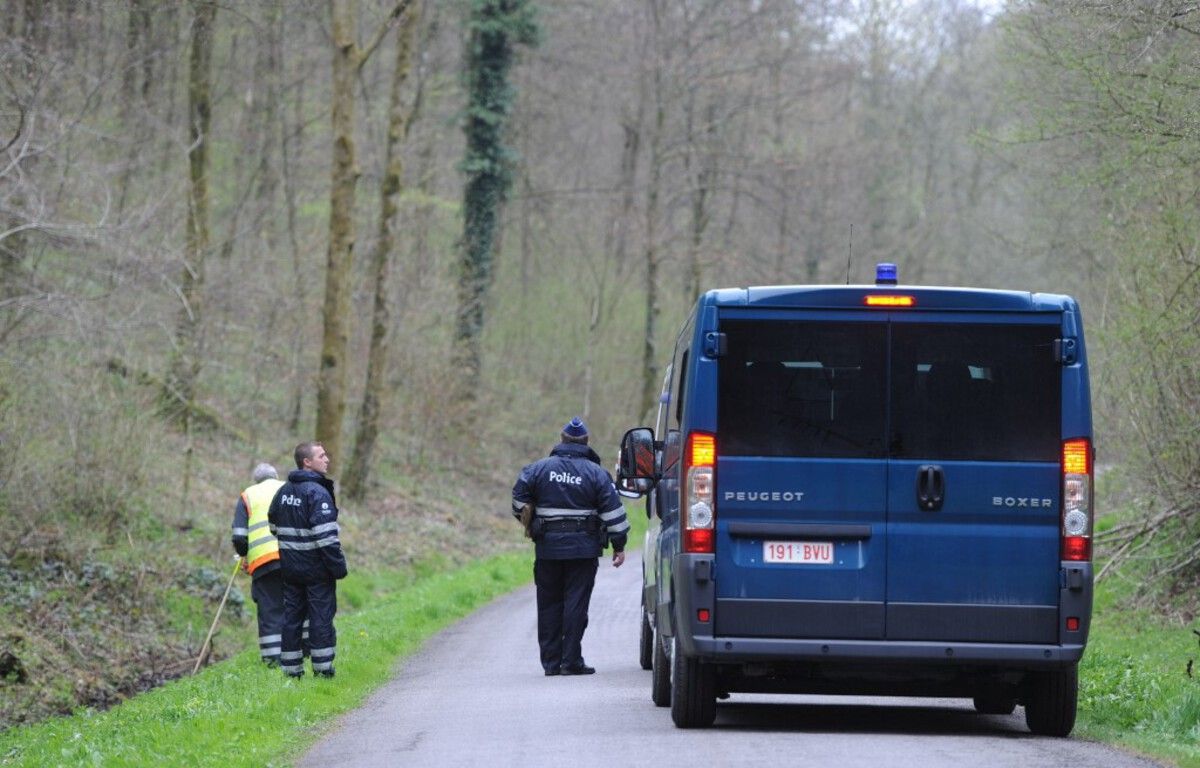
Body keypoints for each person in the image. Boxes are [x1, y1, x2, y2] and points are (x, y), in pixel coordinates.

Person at [511, 417, 629, 676]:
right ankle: (571, 661)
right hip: (583, 550)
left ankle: (551, 664)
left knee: (549, 604)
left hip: (548, 549)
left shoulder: (537, 470)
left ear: (562, 440)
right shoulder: (597, 474)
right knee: (576, 604)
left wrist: (531, 522)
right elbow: (614, 513)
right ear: (586, 442)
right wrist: (619, 545)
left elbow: (518, 499)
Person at [268, 442, 348, 678]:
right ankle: (323, 671)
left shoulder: (283, 492)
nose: (327, 460)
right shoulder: (317, 492)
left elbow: (273, 525)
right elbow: (326, 539)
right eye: (321, 456)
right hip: (316, 570)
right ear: (307, 462)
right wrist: (339, 567)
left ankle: (292, 673)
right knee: (320, 618)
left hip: (290, 569)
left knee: (292, 619)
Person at [231, 463, 287, 665]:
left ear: (256, 480)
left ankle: (273, 660)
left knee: (270, 609)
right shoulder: (288, 489)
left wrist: (243, 554)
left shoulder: (248, 495)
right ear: (275, 475)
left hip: (264, 563)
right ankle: (301, 654)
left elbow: (239, 536)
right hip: (294, 559)